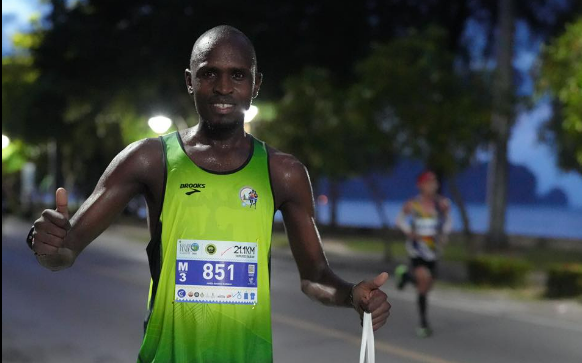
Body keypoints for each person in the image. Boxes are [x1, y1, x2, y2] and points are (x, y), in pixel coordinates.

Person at [27, 25, 391, 363]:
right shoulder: (149, 160)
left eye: (237, 75)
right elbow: (64, 250)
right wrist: (46, 243)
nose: (223, 87)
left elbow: (314, 276)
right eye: (208, 73)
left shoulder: (283, 172)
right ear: (190, 80)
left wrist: (351, 296)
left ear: (255, 84)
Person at [394, 170, 452, 338]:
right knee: (423, 279)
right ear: (420, 185)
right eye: (428, 183)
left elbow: (448, 221)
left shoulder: (441, 204)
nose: (432, 186)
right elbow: (400, 220)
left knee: (427, 286)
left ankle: (405, 276)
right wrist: (409, 232)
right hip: (416, 250)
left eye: (434, 183)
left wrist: (444, 234)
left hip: (432, 251)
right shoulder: (412, 204)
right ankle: (423, 323)